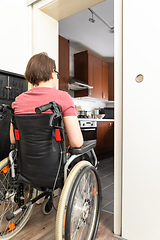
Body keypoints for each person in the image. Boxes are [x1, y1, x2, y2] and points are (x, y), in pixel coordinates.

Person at [10, 52, 83, 148]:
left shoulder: (18, 101)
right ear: (53, 74)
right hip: (55, 162)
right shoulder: (63, 97)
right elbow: (76, 143)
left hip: (25, 161)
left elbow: (13, 139)